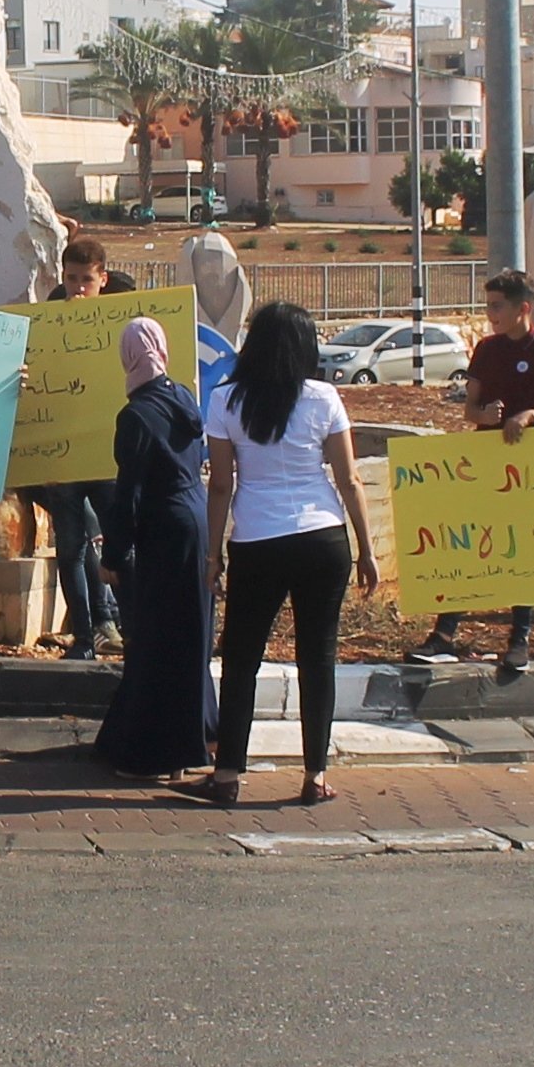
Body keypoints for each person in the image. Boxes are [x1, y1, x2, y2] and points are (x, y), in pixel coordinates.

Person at [182, 303, 380, 806]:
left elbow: (222, 484)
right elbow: (349, 479)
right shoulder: (324, 398)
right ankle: (315, 775)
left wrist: (212, 555)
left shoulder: (226, 401)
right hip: (323, 536)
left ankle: (227, 774)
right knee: (319, 656)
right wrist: (366, 549)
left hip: (257, 539)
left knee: (242, 657)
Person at [414, 270, 534, 670]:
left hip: (527, 469)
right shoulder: (486, 351)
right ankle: (443, 633)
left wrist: (532, 415)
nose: (490, 314)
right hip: (486, 464)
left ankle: (519, 637)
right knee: (470, 542)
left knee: (521, 548)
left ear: (523, 308)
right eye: (488, 306)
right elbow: (471, 409)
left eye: (496, 306)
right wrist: (484, 414)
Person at [92, 316, 218, 784]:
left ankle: (161, 751)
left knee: (159, 637)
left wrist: (113, 557)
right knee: (192, 632)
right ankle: (199, 734)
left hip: (165, 530)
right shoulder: (183, 396)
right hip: (198, 518)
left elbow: (129, 493)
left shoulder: (135, 416)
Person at [26, 236, 123, 659]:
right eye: (71, 279)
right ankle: (84, 638)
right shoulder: (47, 322)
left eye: (87, 279)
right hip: (62, 456)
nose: (78, 288)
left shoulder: (122, 320)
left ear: (103, 278)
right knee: (70, 549)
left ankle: (121, 627)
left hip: (106, 456)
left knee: (119, 546)